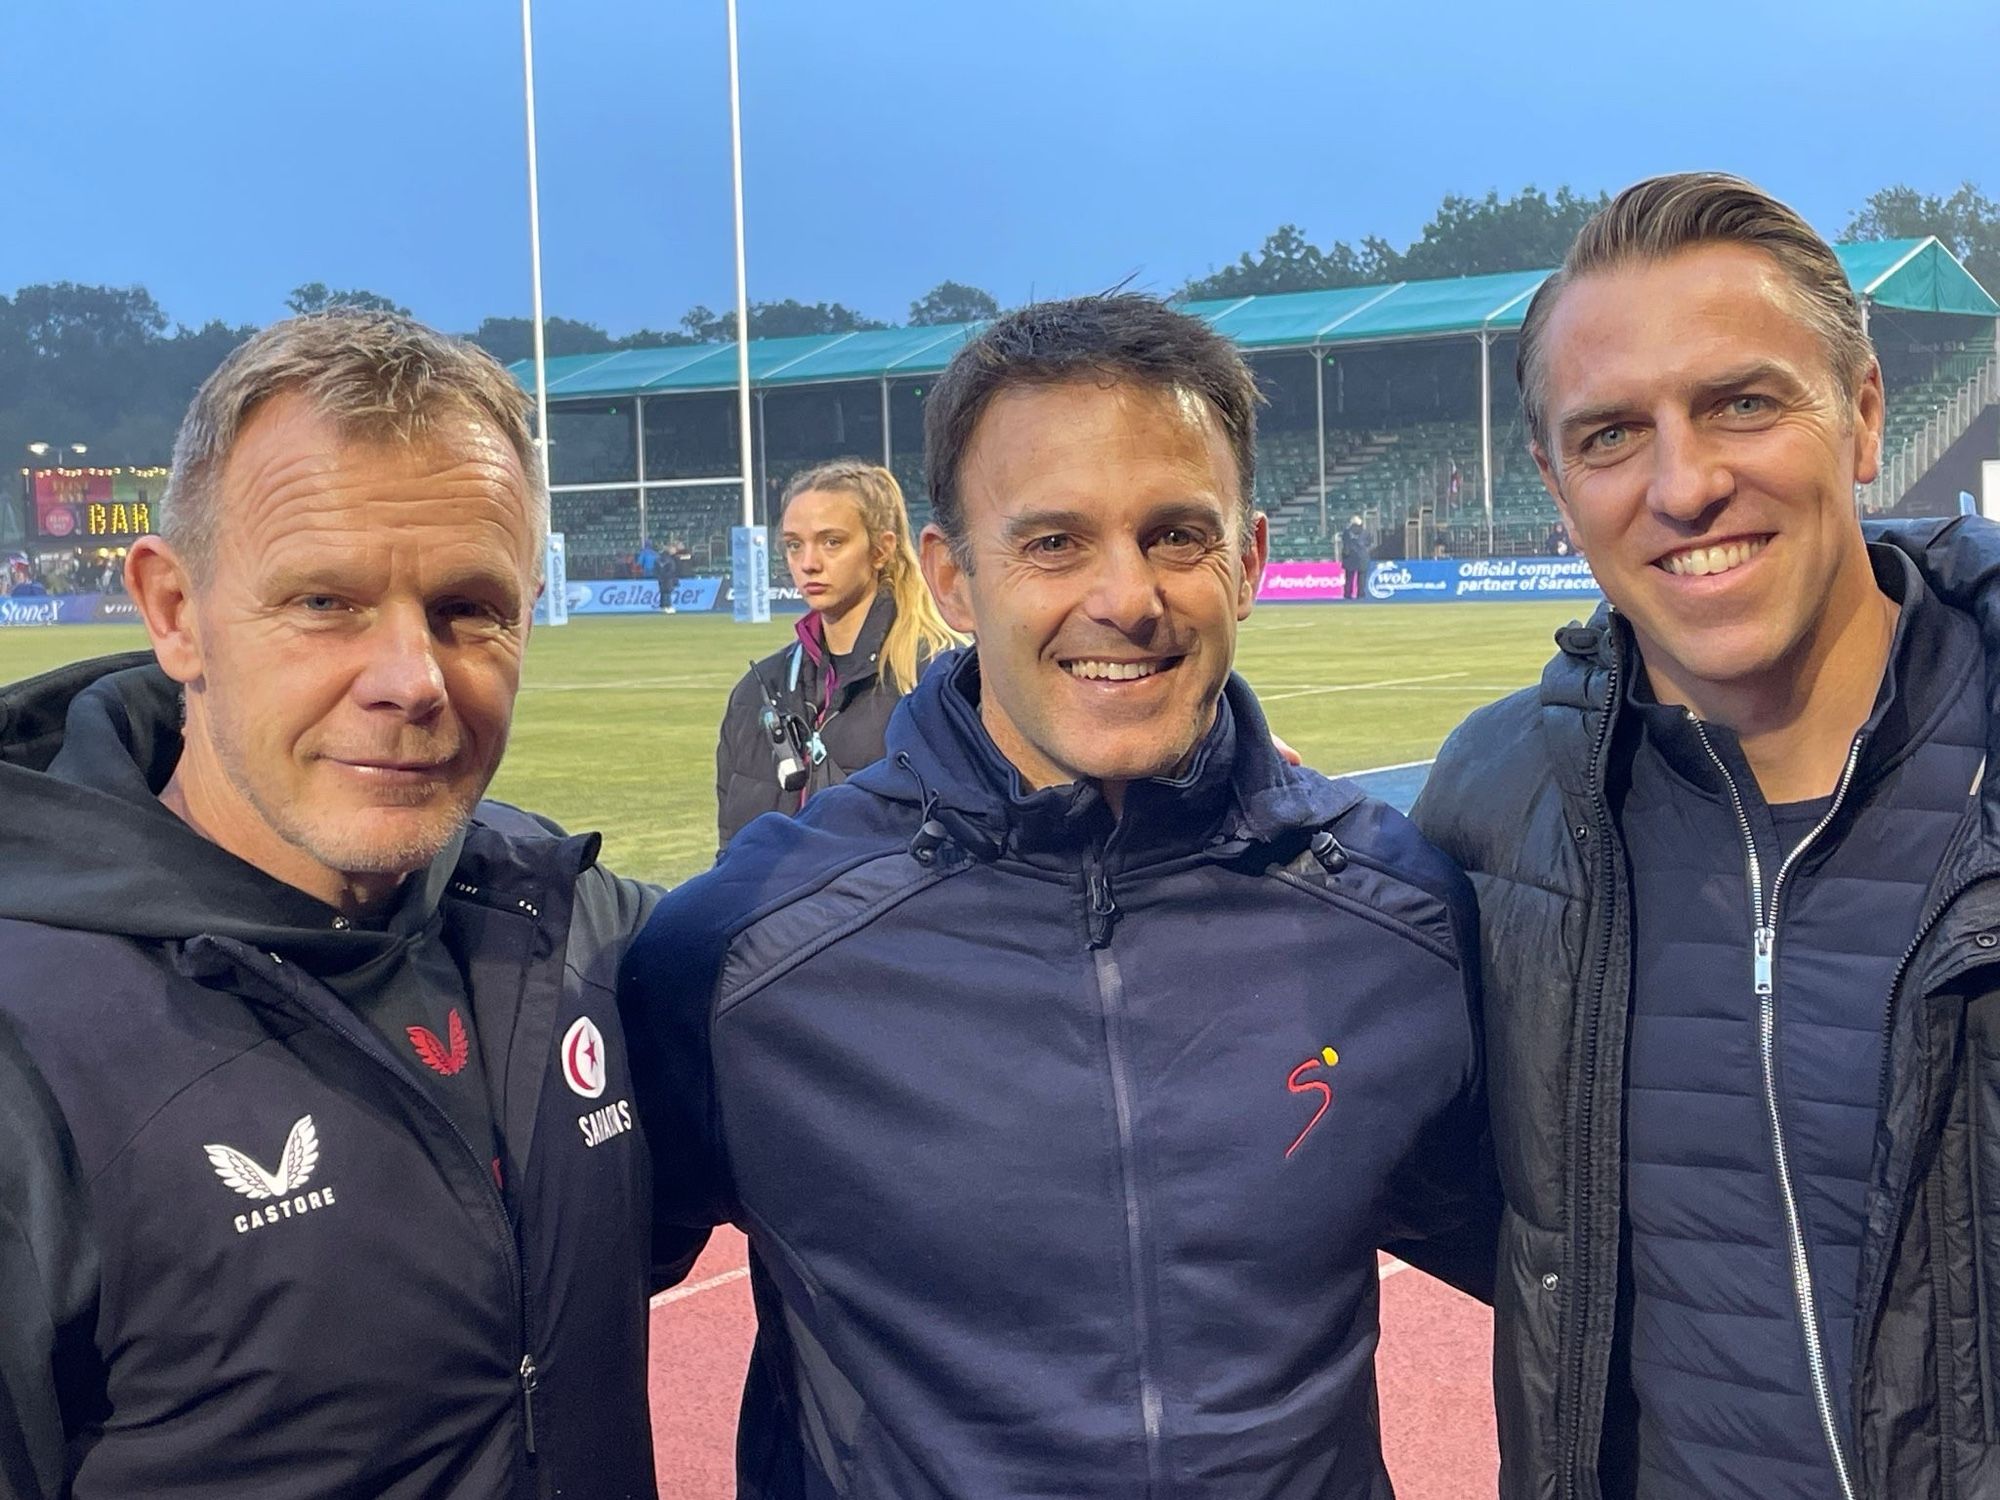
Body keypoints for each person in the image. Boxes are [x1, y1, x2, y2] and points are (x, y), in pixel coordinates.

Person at [624, 294, 1494, 1497]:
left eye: (1175, 536)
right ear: (955, 578)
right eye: (1051, 543)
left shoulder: (1398, 915)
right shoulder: (735, 955)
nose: (1125, 598)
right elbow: (538, 1325)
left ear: (1245, 560)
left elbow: (1581, 1272)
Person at [0, 310, 702, 1499]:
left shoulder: (576, 934)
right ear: (175, 611)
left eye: (468, 608)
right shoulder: (29, 1039)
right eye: (323, 602)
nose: (411, 681)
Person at [1412, 171, 2000, 1499]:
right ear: (1557, 489)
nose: (1686, 484)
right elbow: (1487, 1215)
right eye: (1612, 435)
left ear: (1860, 416)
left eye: (1742, 402)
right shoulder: (1500, 813)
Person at [713, 458, 960, 851]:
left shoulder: (936, 680)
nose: (808, 563)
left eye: (832, 542)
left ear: (881, 550)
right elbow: (730, 852)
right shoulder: (754, 694)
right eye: (795, 545)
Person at [1339, 512, 1371, 598]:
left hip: (1349, 556)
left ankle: (1348, 594)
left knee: (1349, 578)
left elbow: (1345, 542)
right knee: (1361, 578)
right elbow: (1368, 543)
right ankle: (1360, 594)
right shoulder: (1365, 532)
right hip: (1362, 557)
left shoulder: (1346, 532)